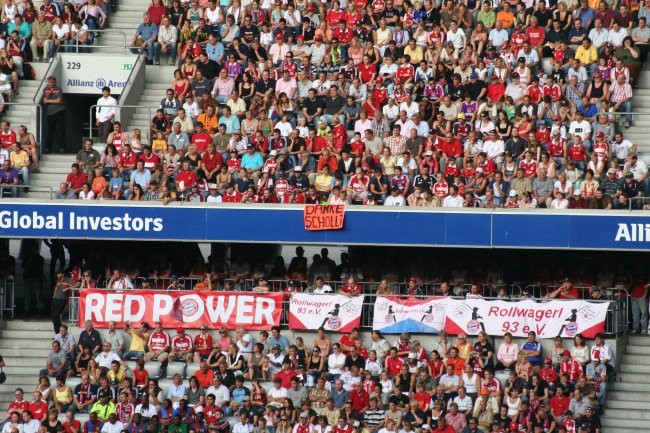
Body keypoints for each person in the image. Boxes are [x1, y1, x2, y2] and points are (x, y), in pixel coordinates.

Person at [41, 76, 65, 154]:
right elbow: (44, 101)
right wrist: (52, 101)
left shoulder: (58, 89)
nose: (50, 84)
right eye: (49, 82)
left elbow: (59, 100)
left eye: (51, 82)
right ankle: (47, 148)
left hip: (59, 111)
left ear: (54, 82)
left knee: (60, 130)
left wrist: (48, 101)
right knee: (50, 131)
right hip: (50, 113)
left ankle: (61, 147)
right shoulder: (45, 89)